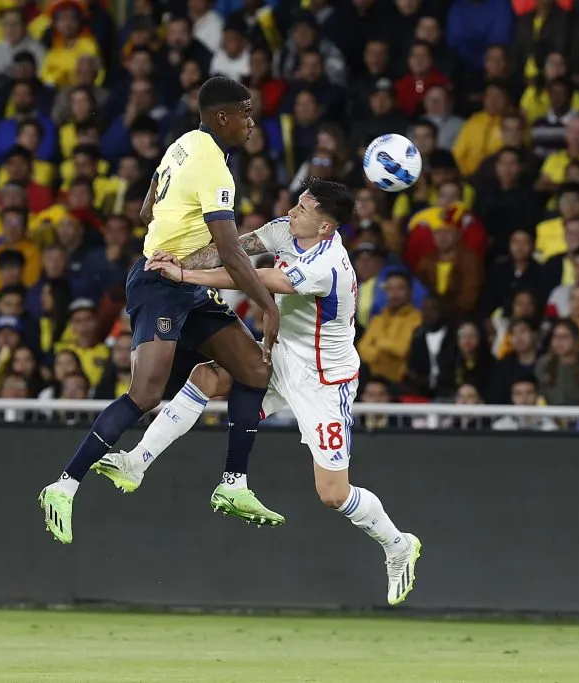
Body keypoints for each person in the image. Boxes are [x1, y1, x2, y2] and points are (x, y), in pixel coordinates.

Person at [97, 181, 422, 606]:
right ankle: (136, 463)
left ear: (325, 227)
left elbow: (260, 279)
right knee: (206, 378)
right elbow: (238, 249)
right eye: (297, 203)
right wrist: (176, 260)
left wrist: (186, 275)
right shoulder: (286, 229)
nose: (293, 212)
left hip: (324, 382)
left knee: (333, 494)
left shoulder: (330, 264)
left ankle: (398, 544)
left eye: (304, 209)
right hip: (280, 354)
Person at [39, 77, 282, 544]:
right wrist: (266, 305)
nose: (253, 123)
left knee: (253, 369)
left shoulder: (184, 144)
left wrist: (169, 236)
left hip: (186, 283)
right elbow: (232, 252)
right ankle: (63, 486)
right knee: (146, 392)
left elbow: (147, 206)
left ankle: (234, 485)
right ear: (222, 117)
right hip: (160, 285)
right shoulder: (214, 166)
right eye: (246, 114)